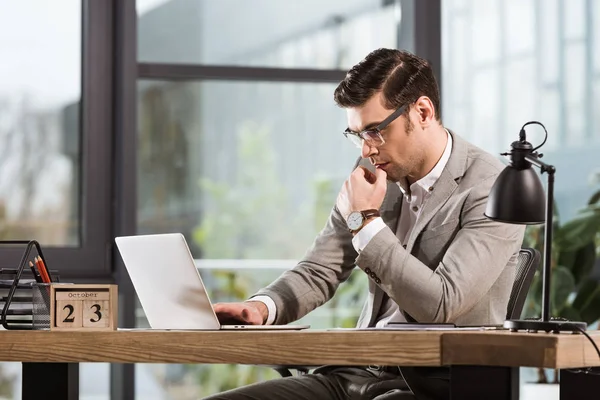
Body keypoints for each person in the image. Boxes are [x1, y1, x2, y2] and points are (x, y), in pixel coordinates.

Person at [208, 48, 525, 400]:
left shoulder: (492, 187)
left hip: (433, 384)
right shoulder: (374, 175)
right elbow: (320, 269)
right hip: (353, 372)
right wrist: (262, 308)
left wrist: (365, 222)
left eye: (375, 131)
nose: (366, 150)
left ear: (422, 111)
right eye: (357, 134)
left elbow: (442, 303)